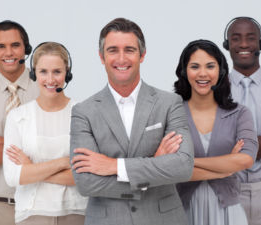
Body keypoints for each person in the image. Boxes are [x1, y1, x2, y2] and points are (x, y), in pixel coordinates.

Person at [70, 17, 194, 225]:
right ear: (101, 57)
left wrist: (114, 166)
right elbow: (86, 183)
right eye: (112, 50)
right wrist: (155, 163)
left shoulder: (169, 103)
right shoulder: (83, 112)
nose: (121, 58)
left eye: (129, 49)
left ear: (142, 55)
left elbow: (183, 166)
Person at [174, 40, 258, 225]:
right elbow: (169, 170)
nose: (203, 73)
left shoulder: (240, 114)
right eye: (195, 66)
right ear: (184, 71)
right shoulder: (171, 114)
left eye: (210, 66)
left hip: (228, 213)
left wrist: (188, 162)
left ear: (220, 71)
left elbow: (245, 159)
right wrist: (225, 167)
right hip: (183, 213)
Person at [3, 42, 87, 225]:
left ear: (67, 73)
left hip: (76, 213)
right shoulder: (18, 117)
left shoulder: (83, 114)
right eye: (43, 72)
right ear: (33, 73)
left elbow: (85, 177)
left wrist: (32, 168)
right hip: (32, 215)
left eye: (57, 72)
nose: (50, 79)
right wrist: (63, 163)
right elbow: (13, 176)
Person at [0, 20, 38, 225]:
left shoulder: (46, 87)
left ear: (26, 49)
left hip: (38, 205)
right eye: (1, 46)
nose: (9, 53)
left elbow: (55, 152)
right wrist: (29, 151)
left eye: (15, 45)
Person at [223, 16, 261, 225]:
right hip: (227, 192)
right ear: (227, 45)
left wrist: (234, 141)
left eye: (251, 38)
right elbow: (210, 144)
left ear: (260, 44)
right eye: (236, 38)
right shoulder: (214, 90)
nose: (244, 44)